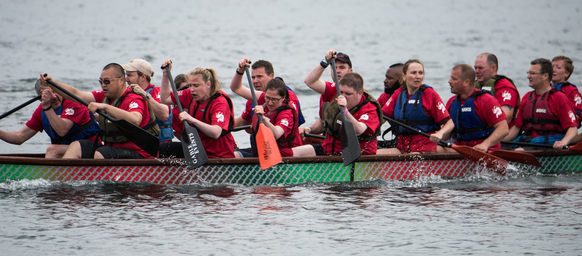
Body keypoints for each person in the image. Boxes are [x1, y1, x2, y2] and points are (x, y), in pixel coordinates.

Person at [40, 63, 160, 159]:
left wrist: (105, 107)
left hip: (141, 154)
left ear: (121, 81)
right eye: (101, 82)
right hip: (111, 150)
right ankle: (65, 184)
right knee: (76, 146)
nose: (103, 85)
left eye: (107, 82)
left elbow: (135, 119)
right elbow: (76, 94)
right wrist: (52, 83)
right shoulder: (103, 96)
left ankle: (103, 188)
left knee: (101, 153)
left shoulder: (134, 98)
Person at [0, 82, 99, 158]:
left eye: (55, 91)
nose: (54, 96)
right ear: (40, 98)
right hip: (68, 152)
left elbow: (62, 130)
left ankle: (52, 182)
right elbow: (19, 137)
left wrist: (47, 107)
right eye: (47, 94)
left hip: (93, 148)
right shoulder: (42, 110)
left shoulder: (73, 102)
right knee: (54, 150)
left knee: (52, 150)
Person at [159, 59, 235, 158]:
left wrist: (192, 120)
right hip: (197, 150)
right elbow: (165, 99)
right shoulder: (189, 94)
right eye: (190, 85)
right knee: (165, 148)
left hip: (218, 156)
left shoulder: (220, 102)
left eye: (196, 85)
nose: (191, 89)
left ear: (208, 84)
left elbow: (216, 132)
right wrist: (165, 75)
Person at [292, 72, 381, 156]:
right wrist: (309, 129)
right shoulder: (337, 94)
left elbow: (358, 130)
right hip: (329, 149)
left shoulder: (370, 109)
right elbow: (310, 82)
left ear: (360, 93)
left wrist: (345, 111)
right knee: (291, 154)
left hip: (357, 156)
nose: (343, 96)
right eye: (341, 92)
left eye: (348, 94)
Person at [378, 59, 454, 155]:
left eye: (420, 73)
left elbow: (450, 122)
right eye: (414, 73)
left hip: (425, 147)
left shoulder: (430, 94)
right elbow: (380, 118)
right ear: (404, 77)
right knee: (375, 153)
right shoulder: (398, 94)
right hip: (402, 147)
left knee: (411, 156)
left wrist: (440, 133)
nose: (417, 76)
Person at [503, 58, 578, 150]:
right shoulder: (527, 97)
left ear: (545, 76)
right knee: (499, 147)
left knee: (520, 151)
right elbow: (516, 128)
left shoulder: (559, 98)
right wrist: (497, 142)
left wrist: (563, 142)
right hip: (527, 142)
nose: (528, 76)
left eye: (532, 73)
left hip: (548, 145)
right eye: (528, 73)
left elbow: (573, 129)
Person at [444, 64, 508, 152]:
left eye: (454, 79)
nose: (449, 81)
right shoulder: (452, 102)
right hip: (460, 150)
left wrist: (485, 144)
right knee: (436, 148)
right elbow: (446, 136)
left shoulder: (486, 100)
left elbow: (504, 129)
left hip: (484, 151)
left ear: (466, 82)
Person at [235, 77, 302, 157]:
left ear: (283, 98)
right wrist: (240, 71)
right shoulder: (263, 99)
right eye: (268, 98)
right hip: (260, 151)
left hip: (278, 154)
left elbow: (276, 134)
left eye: (274, 100)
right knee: (232, 153)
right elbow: (236, 88)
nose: (270, 103)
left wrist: (263, 118)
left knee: (234, 155)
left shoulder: (287, 113)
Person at [230, 59, 304, 129]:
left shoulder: (288, 95)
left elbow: (286, 128)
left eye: (259, 76)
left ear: (271, 76)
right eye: (253, 77)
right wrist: (221, 124)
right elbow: (242, 122)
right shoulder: (255, 98)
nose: (255, 81)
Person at [300, 50, 353, 139]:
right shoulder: (330, 90)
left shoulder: (357, 93)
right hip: (328, 141)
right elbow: (322, 122)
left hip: (345, 143)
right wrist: (309, 129)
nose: (337, 71)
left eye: (342, 67)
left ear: (350, 71)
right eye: (334, 68)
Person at [122, 58, 173, 143]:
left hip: (160, 145)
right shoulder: (127, 94)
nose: (126, 79)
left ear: (143, 77)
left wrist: (144, 95)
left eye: (130, 75)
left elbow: (164, 115)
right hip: (139, 144)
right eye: (126, 75)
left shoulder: (157, 92)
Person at [474, 52, 520, 126]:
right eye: (475, 68)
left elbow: (506, 117)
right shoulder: (474, 86)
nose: (476, 71)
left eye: (480, 68)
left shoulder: (505, 87)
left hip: (500, 134)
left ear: (493, 68)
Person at [377, 63, 404, 148]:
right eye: (386, 77)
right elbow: (376, 121)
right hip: (398, 141)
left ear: (402, 80)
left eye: (389, 78)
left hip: (417, 143)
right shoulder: (384, 97)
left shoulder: (414, 98)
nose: (385, 81)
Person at [551, 55, 582, 122]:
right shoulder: (544, 88)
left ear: (567, 73)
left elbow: (578, 116)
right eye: (551, 67)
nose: (553, 70)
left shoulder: (572, 91)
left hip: (563, 129)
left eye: (558, 68)